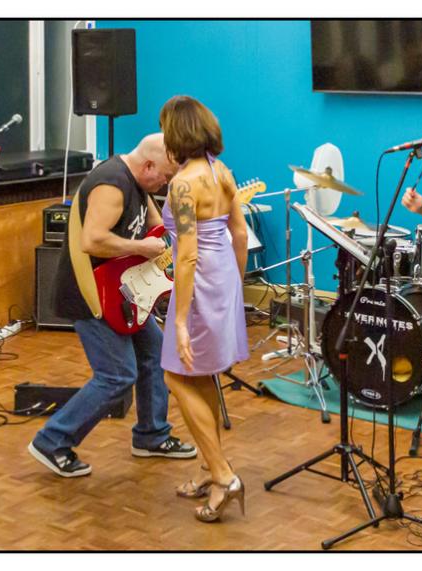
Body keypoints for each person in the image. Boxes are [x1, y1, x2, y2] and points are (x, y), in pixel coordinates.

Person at [28, 134, 197, 477]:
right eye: (164, 177)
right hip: (93, 295)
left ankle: (151, 435)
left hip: (124, 291)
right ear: (148, 165)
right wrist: (141, 249)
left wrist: (182, 239)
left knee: (155, 354)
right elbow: (92, 241)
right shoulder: (112, 184)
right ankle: (52, 440)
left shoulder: (139, 182)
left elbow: (156, 229)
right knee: (117, 376)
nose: (164, 184)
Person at [159, 95, 250, 523]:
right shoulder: (221, 171)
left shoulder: (182, 184)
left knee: (175, 375)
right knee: (203, 374)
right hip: (225, 275)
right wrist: (235, 287)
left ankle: (224, 475)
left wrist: (180, 320)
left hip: (198, 282)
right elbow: (240, 234)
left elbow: (188, 255)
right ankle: (208, 469)